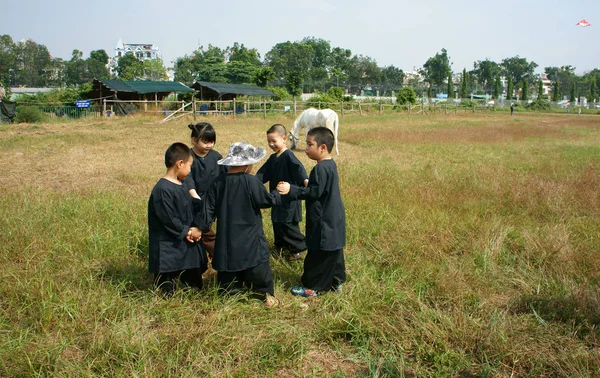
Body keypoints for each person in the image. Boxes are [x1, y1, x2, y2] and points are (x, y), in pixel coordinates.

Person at [201, 142, 282, 307]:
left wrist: (199, 227)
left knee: (228, 275)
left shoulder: (217, 183)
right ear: (246, 165)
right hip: (250, 238)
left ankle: (230, 294)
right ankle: (264, 294)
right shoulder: (250, 182)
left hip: (227, 239)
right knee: (257, 267)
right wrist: (276, 193)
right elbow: (266, 201)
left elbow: (206, 212)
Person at [277, 127, 346, 297]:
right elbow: (321, 189)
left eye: (309, 145)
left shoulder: (320, 169)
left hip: (323, 221)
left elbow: (314, 193)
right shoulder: (330, 165)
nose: (306, 148)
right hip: (334, 218)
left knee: (318, 253)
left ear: (322, 147)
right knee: (334, 250)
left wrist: (291, 189)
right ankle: (335, 282)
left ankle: (313, 287)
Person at [148, 142, 208, 296]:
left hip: (186, 241)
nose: (190, 170)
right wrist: (187, 232)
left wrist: (197, 227)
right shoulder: (162, 190)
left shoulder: (181, 185)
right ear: (180, 164)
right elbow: (168, 218)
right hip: (168, 244)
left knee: (193, 281)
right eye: (190, 166)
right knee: (167, 283)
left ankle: (195, 292)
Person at [255, 124, 309, 261]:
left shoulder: (289, 155)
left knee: (288, 225)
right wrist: (252, 184)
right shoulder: (273, 158)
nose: (271, 144)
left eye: (274, 141)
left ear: (284, 138)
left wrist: (306, 182)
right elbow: (262, 174)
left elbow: (299, 170)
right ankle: (280, 246)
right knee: (277, 222)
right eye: (269, 141)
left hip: (289, 199)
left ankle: (298, 248)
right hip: (276, 197)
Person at [184, 122, 228, 257]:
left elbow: (226, 175)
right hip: (194, 201)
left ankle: (215, 253)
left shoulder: (216, 157)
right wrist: (193, 193)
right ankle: (215, 254)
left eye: (212, 142)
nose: (209, 145)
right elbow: (187, 178)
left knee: (205, 228)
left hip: (213, 202)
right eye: (205, 142)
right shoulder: (188, 157)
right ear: (194, 140)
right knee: (202, 229)